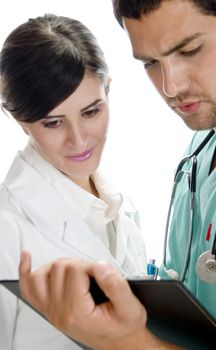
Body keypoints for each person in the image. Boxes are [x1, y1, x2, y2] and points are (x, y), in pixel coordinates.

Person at [18, 0, 216, 348]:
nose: (170, 86)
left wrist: (131, 342)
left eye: (190, 50)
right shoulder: (197, 153)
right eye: (150, 62)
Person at [0, 13, 147, 350]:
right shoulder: (6, 227)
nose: (79, 141)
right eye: (53, 123)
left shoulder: (118, 206)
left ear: (108, 90)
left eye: (92, 111)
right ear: (19, 120)